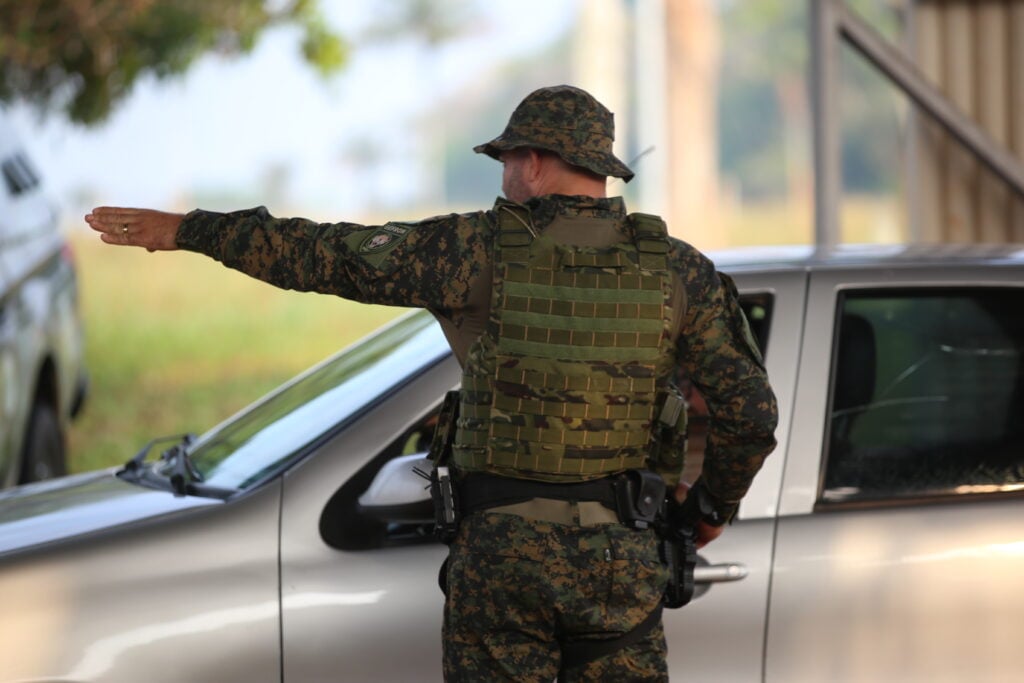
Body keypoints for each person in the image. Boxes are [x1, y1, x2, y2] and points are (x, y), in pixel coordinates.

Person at [86, 84, 777, 682]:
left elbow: (324, 254)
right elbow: (751, 414)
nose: (505, 176)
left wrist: (191, 230)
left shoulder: (472, 249)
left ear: (534, 162)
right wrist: (707, 512)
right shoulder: (679, 270)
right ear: (598, 169)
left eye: (508, 160)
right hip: (620, 564)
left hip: (500, 564)